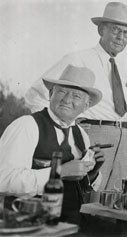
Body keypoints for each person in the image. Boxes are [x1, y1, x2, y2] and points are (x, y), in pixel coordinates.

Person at [24, 2, 127, 200]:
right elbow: (36, 94)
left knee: (115, 204)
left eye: (126, 33)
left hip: (122, 141)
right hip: (91, 136)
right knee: (87, 200)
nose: (121, 37)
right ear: (101, 29)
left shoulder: (126, 68)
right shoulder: (78, 58)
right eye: (115, 30)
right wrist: (57, 132)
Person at [0, 65, 104, 225]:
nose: (67, 100)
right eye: (62, 92)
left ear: (86, 105)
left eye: (76, 96)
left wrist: (94, 172)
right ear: (50, 94)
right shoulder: (26, 126)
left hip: (71, 223)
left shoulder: (82, 135)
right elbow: (3, 180)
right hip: (32, 223)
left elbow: (80, 187)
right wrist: (59, 172)